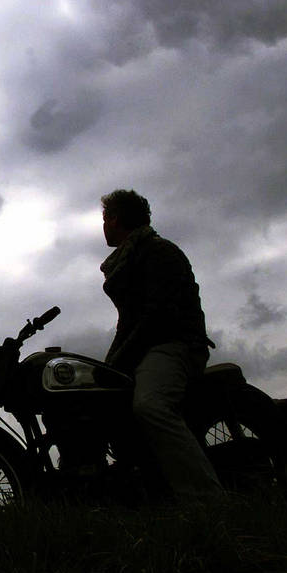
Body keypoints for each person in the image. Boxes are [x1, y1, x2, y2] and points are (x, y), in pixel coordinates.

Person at [100, 189, 223, 499]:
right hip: (149, 344)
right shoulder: (127, 258)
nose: (103, 226)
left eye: (105, 218)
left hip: (175, 343)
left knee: (150, 405)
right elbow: (129, 321)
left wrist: (122, 357)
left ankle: (207, 498)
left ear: (115, 219)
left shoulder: (158, 252)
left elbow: (158, 315)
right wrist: (108, 365)